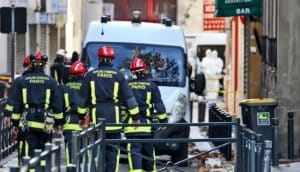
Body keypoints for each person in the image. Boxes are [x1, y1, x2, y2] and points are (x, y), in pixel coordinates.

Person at [79, 45, 140, 172]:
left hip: (97, 123)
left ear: (99, 59)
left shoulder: (90, 75)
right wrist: (135, 118)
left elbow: (82, 100)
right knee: (113, 156)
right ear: (112, 59)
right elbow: (129, 99)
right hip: (114, 123)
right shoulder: (118, 76)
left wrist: (81, 117)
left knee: (96, 154)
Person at [12, 51, 63, 157]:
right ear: (44, 64)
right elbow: (57, 104)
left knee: (29, 156)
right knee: (44, 154)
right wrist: (58, 123)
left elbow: (16, 104)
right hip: (45, 123)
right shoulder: (51, 81)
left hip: (27, 123)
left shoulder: (22, 81)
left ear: (32, 64)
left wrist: (15, 124)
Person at [124, 57, 168, 172]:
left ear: (132, 72)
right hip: (147, 127)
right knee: (149, 154)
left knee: (134, 154)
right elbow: (159, 105)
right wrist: (163, 121)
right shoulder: (151, 86)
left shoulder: (127, 85)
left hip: (132, 127)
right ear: (144, 70)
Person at [4, 54, 33, 164]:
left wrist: (9, 117)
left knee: (24, 143)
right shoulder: (45, 80)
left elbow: (12, 100)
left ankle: (23, 165)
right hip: (40, 120)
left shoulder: (20, 81)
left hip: (24, 118)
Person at [61, 60, 87, 165]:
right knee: (86, 154)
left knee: (71, 156)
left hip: (69, 124)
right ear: (83, 73)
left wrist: (58, 123)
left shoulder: (65, 87)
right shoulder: (87, 86)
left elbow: (60, 107)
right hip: (85, 124)